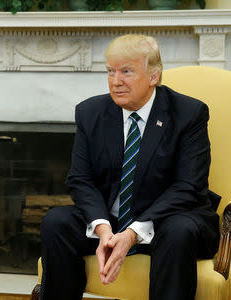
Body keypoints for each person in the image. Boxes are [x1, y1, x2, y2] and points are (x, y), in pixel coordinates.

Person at [40, 34, 219, 300]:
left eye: (126, 71)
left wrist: (133, 233)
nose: (116, 81)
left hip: (167, 219)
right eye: (110, 71)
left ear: (153, 76)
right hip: (110, 222)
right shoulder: (91, 113)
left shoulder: (188, 114)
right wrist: (103, 229)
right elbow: (80, 179)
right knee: (56, 221)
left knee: (178, 231)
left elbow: (188, 186)